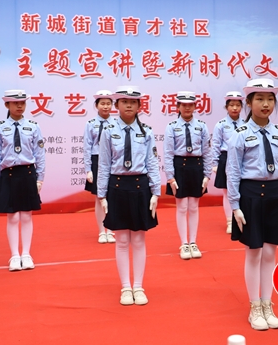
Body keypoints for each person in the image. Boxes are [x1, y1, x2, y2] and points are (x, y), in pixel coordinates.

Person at [226, 78, 278, 331]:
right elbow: (233, 171)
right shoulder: (239, 135)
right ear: (249, 102)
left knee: (270, 252)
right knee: (254, 251)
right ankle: (254, 306)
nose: (265, 104)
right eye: (259, 99)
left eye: (270, 100)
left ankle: (268, 303)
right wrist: (235, 205)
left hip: (276, 195)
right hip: (251, 195)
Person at [97, 85, 160, 306]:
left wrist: (156, 191)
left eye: (133, 102)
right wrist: (102, 195)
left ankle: (138, 286)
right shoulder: (108, 131)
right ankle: (126, 287)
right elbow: (104, 164)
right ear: (117, 105)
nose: (129, 105)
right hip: (117, 186)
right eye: (124, 102)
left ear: (139, 106)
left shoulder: (147, 131)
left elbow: (152, 162)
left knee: (139, 239)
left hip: (140, 186)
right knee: (122, 240)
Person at [0, 90, 45, 272]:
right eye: (15, 103)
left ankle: (26, 254)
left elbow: (39, 154)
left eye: (22, 102)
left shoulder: (33, 126)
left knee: (27, 215)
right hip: (8, 174)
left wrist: (40, 178)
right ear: (7, 105)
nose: (20, 106)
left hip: (28, 173)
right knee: (13, 216)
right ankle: (14, 255)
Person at [164, 91, 213, 260]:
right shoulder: (171, 127)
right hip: (179, 167)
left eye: (190, 105)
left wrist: (207, 174)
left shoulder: (202, 126)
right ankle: (184, 243)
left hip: (196, 167)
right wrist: (170, 177)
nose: (187, 108)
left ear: (195, 106)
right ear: (178, 106)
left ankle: (193, 242)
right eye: (183, 105)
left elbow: (207, 152)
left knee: (193, 207)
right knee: (182, 206)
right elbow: (168, 153)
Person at [84, 90, 117, 244]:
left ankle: (110, 230)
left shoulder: (116, 123)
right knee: (99, 197)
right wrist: (88, 169)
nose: (105, 106)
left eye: (108, 104)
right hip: (97, 160)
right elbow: (87, 147)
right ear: (96, 105)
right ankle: (101, 231)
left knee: (112, 196)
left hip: (113, 161)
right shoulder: (90, 124)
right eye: (102, 103)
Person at [211, 90, 244, 234]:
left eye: (238, 105)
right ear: (226, 107)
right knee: (227, 192)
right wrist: (215, 164)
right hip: (226, 158)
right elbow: (215, 144)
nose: (235, 108)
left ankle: (241, 219)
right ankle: (230, 222)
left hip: (243, 159)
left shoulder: (246, 124)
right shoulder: (221, 125)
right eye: (231, 105)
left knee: (242, 190)